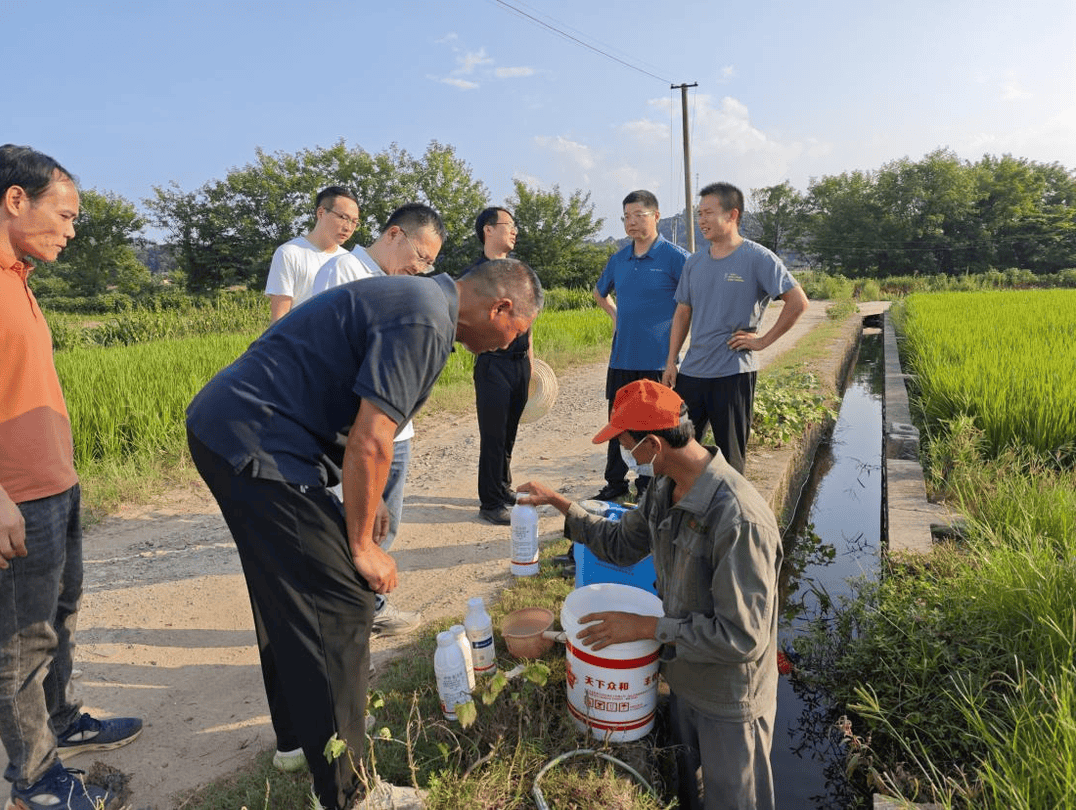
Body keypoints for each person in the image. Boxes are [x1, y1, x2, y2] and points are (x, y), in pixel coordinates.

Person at [187, 257, 543, 810]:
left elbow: (363, 426)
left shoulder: (421, 303)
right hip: (259, 442)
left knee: (288, 588)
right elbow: (372, 441)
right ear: (501, 307)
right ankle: (349, 793)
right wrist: (361, 546)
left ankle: (297, 739)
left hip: (230, 430)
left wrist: (366, 506)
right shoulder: (427, 320)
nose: (503, 347)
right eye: (512, 334)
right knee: (341, 599)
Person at [517, 379, 782, 810]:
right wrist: (560, 504)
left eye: (626, 444)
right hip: (683, 680)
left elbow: (742, 638)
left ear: (654, 445)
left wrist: (645, 628)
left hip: (729, 701)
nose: (625, 455)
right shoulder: (663, 489)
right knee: (689, 794)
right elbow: (621, 543)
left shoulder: (738, 519)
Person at [0, 145, 142, 810]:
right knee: (20, 643)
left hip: (55, 483)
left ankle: (61, 723)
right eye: (67, 213)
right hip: (14, 497)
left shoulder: (16, 274)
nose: (74, 229)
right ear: (16, 200)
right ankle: (35, 781)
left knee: (58, 618)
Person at [312, 203, 446, 640]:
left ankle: (370, 607)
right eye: (421, 257)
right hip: (360, 433)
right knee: (358, 527)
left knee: (383, 528)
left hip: (395, 432)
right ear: (394, 235)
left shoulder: (397, 284)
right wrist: (366, 463)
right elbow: (336, 372)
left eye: (430, 264)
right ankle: (348, 617)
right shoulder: (343, 274)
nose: (422, 269)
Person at [662, 182, 808, 474]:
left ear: (732, 215)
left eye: (708, 213)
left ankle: (731, 513)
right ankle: (686, 511)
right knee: (679, 449)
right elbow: (682, 312)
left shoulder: (758, 258)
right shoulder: (694, 263)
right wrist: (671, 361)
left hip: (733, 373)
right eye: (699, 213)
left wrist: (763, 341)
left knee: (731, 456)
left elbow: (798, 302)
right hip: (693, 371)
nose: (701, 220)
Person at [592, 190, 689, 502]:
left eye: (638, 215)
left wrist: (675, 355)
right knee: (617, 424)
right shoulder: (619, 259)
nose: (631, 223)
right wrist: (615, 314)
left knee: (655, 426)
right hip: (621, 358)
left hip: (659, 360)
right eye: (626, 217)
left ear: (656, 216)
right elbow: (599, 292)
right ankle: (615, 484)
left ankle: (651, 486)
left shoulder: (676, 258)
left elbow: (691, 305)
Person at [468, 207, 534, 525]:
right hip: (493, 364)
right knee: (493, 436)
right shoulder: (476, 275)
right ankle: (490, 502)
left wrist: (531, 365)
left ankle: (503, 487)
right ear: (488, 230)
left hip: (520, 364)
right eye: (510, 225)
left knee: (509, 433)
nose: (515, 231)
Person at [264, 185, 360, 322]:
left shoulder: (348, 260)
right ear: (321, 213)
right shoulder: (289, 253)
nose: (348, 227)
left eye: (354, 222)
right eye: (343, 217)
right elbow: (279, 318)